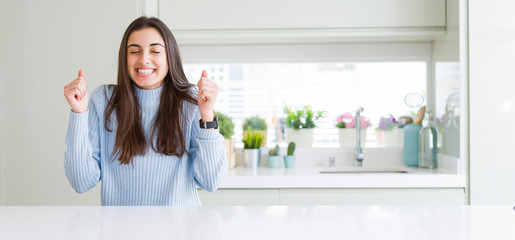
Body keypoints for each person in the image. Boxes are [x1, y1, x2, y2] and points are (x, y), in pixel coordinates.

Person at [63, 16, 227, 206]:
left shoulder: (191, 101)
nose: (144, 60)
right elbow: (81, 182)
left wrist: (207, 115)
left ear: (170, 57)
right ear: (125, 58)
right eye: (134, 51)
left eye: (155, 51)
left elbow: (211, 182)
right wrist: (79, 113)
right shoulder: (104, 100)